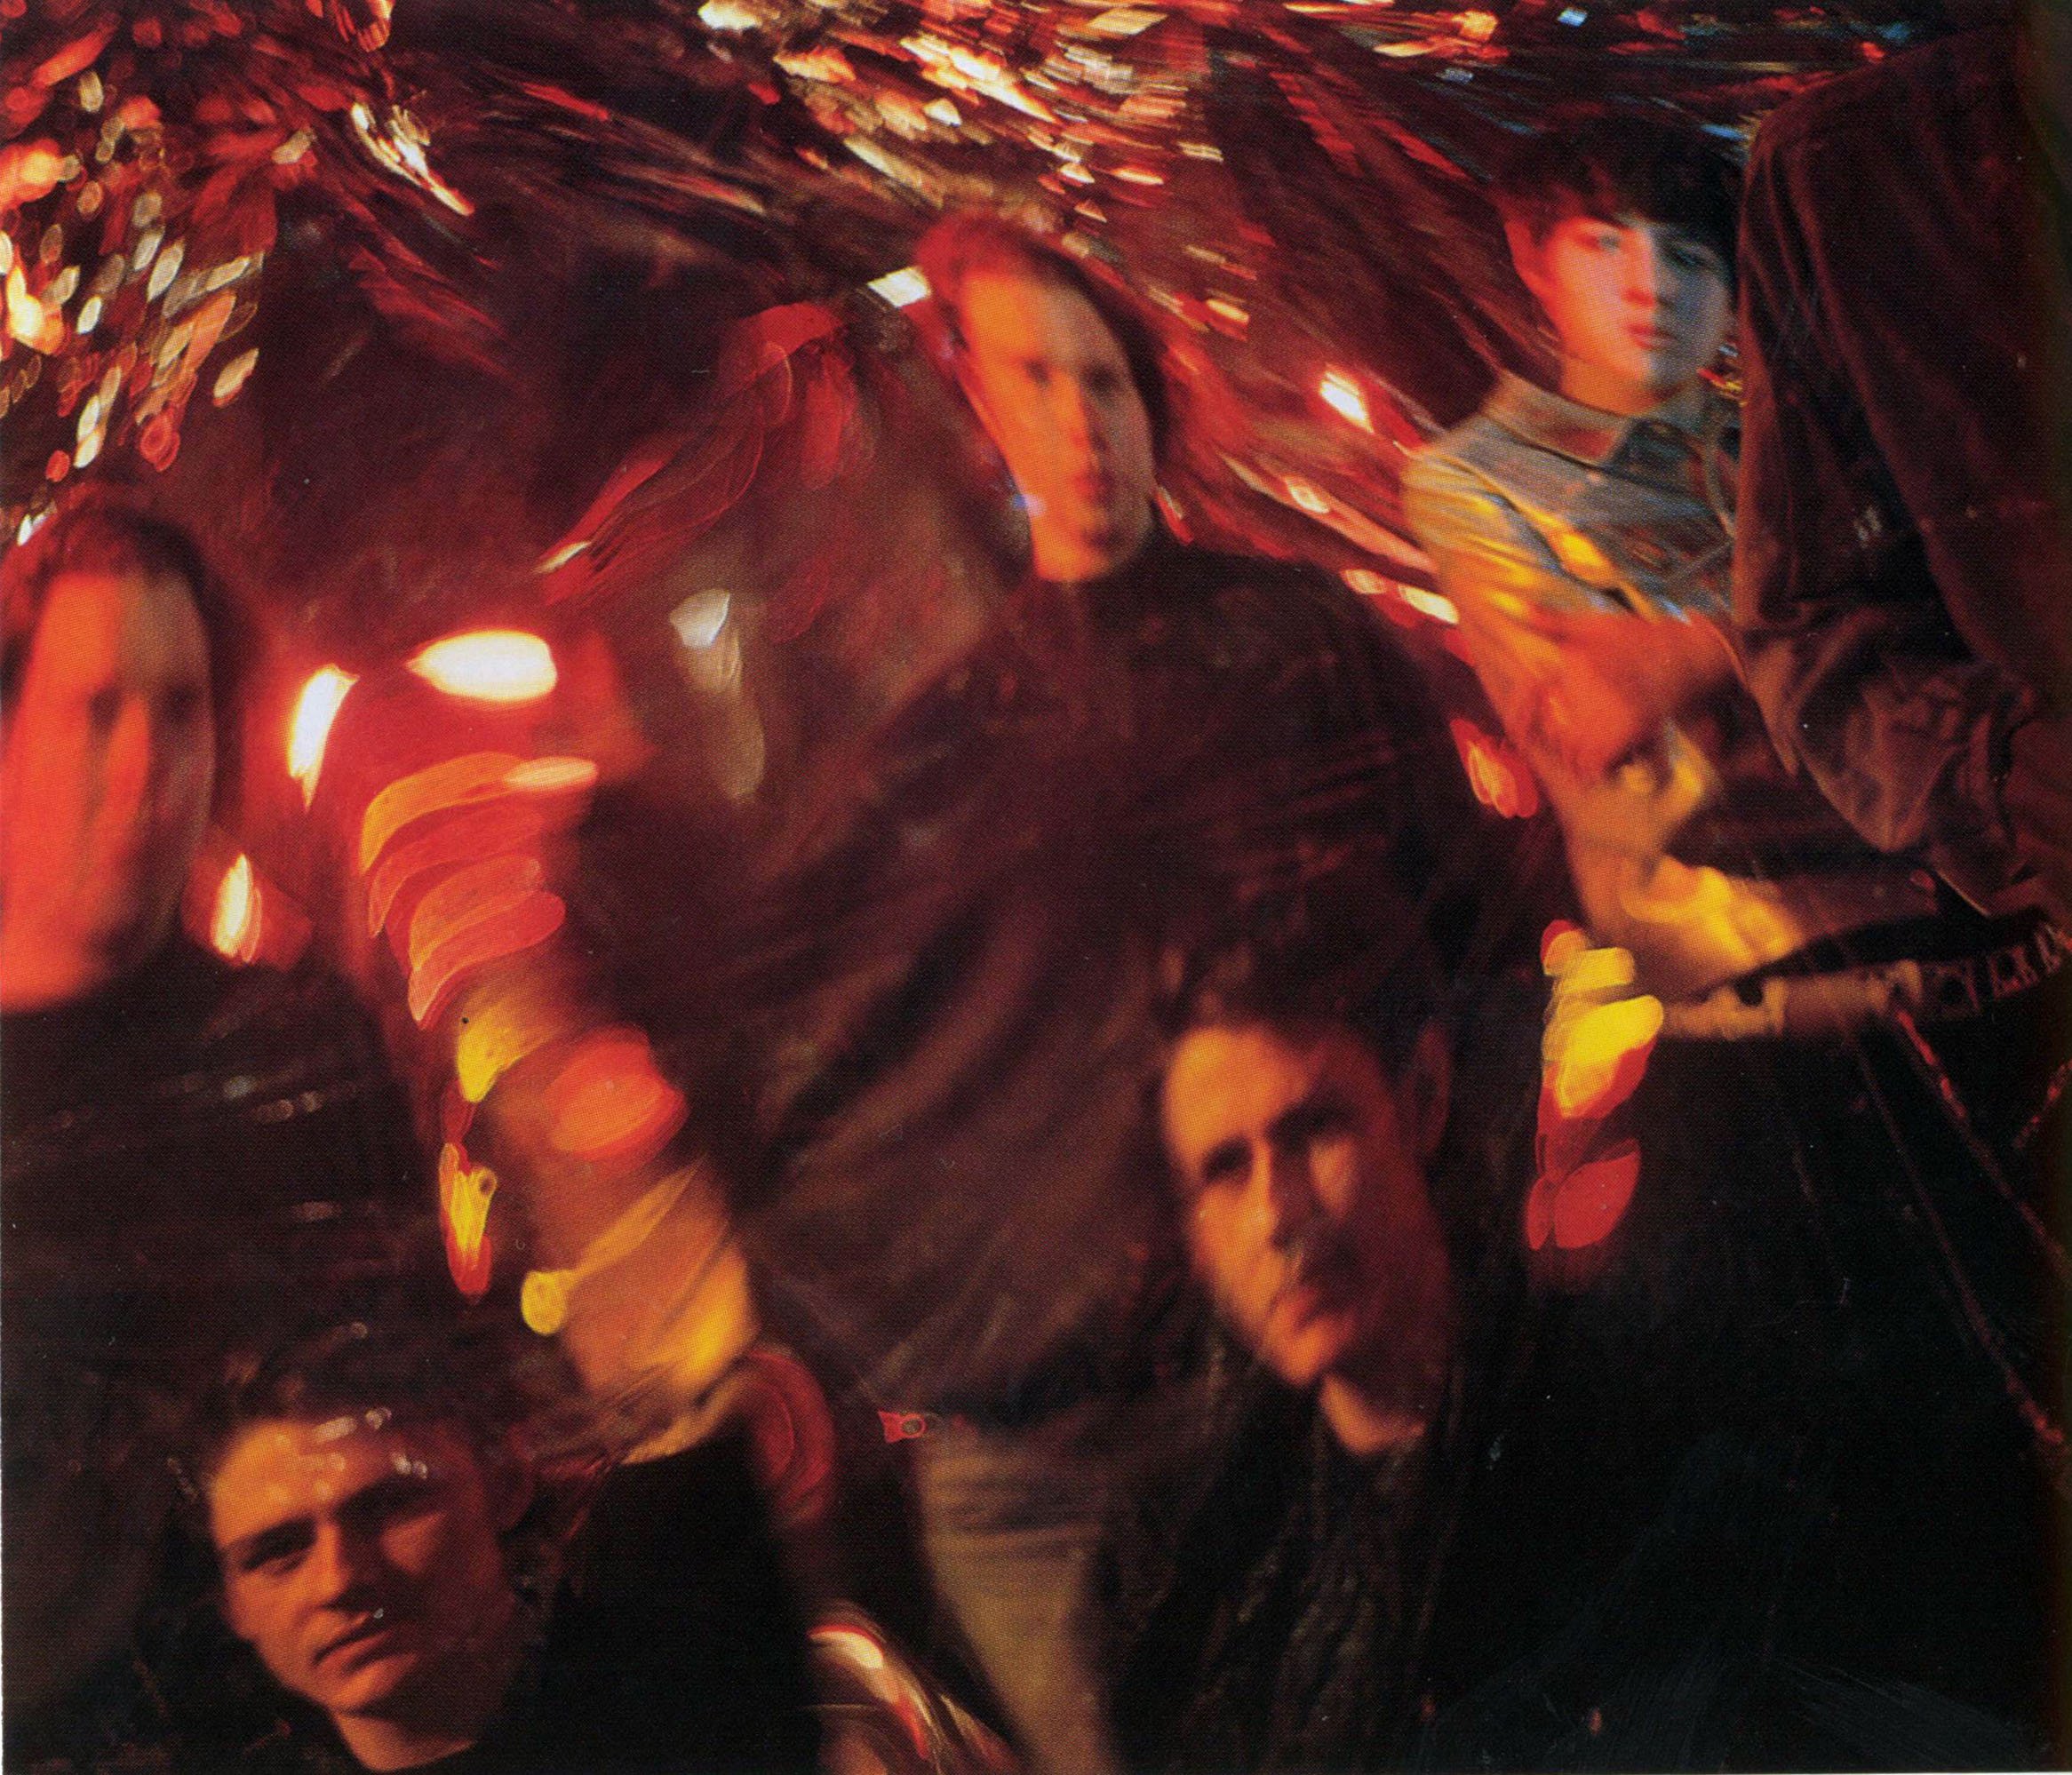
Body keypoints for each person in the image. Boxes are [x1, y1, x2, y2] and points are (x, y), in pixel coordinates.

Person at [673, 214, 1498, 1773]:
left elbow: (1469, 936)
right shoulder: (930, 768)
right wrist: (1000, 1342)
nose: (1079, 424)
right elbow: (799, 1115)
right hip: (1062, 1449)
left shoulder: (1301, 650)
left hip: (1320, 1363)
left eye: (1102, 379)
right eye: (1036, 383)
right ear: (980, 408)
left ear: (1149, 389)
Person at [1404, 112, 2066, 1761]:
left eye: (1692, 253)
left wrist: (1698, 653)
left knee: (1995, 1457)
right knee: (1803, 1480)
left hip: (1962, 976)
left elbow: (1960, 673)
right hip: (1740, 1036)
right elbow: (1591, 729)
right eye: (1605, 242)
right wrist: (1824, 647)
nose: (1653, 284)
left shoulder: (1812, 421)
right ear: (1531, 260)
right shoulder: (1476, 478)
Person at [0, 492, 434, 1756]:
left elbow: (411, 1413)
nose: (146, 763)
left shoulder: (298, 1050)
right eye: (97, 710)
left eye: (181, 709)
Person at [188, 1317, 825, 1771]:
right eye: (277, 1552)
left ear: (505, 1484)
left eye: (388, 1507)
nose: (340, 1579)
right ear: (231, 1606)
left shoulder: (708, 1701)